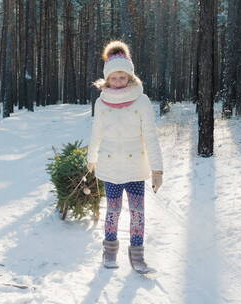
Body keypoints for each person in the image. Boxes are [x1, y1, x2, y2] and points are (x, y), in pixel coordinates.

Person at [87, 40, 164, 274]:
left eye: (123, 77)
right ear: (107, 79)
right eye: (114, 77)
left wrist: (157, 169)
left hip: (135, 168)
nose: (118, 82)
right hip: (110, 167)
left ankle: (137, 255)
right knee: (112, 210)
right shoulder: (101, 103)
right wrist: (91, 158)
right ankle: (109, 251)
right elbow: (96, 132)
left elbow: (150, 136)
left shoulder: (142, 101)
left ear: (130, 77)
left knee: (138, 213)